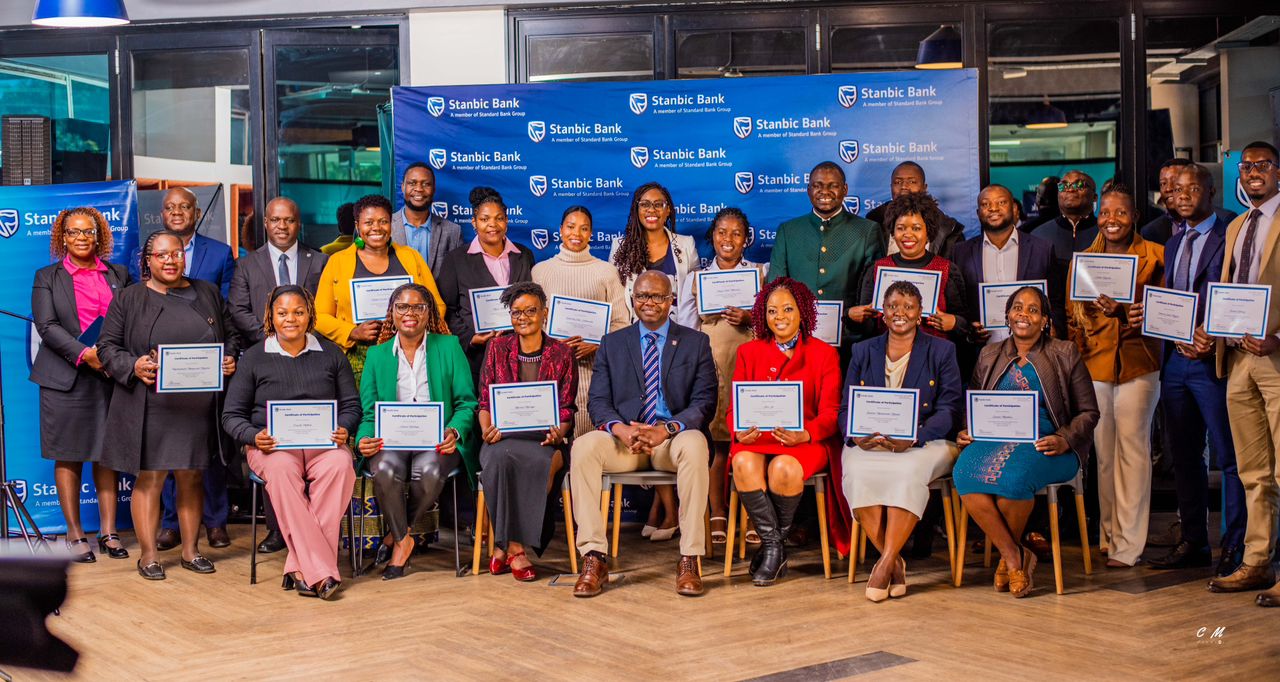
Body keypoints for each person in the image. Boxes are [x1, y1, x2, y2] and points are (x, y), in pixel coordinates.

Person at [98, 230, 237, 581]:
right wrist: (133, 365)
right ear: (148, 261)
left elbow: (232, 334)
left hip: (197, 406)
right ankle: (149, 556)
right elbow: (106, 347)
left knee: (191, 476)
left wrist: (231, 357)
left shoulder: (206, 293)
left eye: (176, 254)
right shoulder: (129, 299)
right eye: (161, 255)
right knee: (152, 478)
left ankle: (191, 551)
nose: (171, 260)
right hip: (150, 404)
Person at [569, 271, 718, 597]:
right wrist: (619, 428)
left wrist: (666, 429)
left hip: (669, 441)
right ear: (632, 300)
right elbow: (598, 401)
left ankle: (689, 558)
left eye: (658, 297)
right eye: (642, 296)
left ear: (671, 300)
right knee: (583, 447)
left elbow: (705, 402)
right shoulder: (613, 342)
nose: (649, 302)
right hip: (626, 442)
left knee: (695, 443)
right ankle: (594, 557)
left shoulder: (696, 342)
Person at [1127, 164, 1245, 576]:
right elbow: (1174, 301)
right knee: (1184, 455)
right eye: (1176, 189)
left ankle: (1236, 547)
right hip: (1174, 362)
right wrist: (1154, 318)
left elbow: (1237, 295)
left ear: (1211, 191)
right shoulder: (1173, 244)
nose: (1182, 194)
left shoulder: (1231, 234)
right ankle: (1194, 540)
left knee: (1228, 457)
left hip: (1212, 361)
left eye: (1193, 187)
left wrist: (1212, 335)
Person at [953, 287, 1100, 597]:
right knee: (964, 473)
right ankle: (1015, 556)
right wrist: (967, 429)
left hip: (1047, 442)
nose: (1024, 314)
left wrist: (1064, 439)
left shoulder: (1064, 352)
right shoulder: (990, 354)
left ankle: (1011, 559)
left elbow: (1089, 412)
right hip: (995, 438)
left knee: (1015, 479)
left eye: (1033, 310)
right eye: (1017, 308)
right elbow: (973, 403)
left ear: (1045, 320)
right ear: (1007, 315)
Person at [220, 285, 359, 599]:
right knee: (282, 470)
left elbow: (351, 405)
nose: (291, 319)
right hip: (272, 447)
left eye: (298, 311)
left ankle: (300, 567)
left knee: (341, 464)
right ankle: (321, 572)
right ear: (270, 315)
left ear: (310, 314)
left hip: (323, 443)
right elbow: (231, 416)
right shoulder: (255, 356)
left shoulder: (331, 353)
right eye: (282, 313)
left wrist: (344, 429)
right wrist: (254, 437)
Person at [835, 281, 962, 601]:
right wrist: (854, 434)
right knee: (857, 471)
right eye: (893, 306)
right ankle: (894, 560)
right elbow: (846, 406)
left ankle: (884, 564)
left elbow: (950, 408)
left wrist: (916, 437)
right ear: (883, 312)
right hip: (870, 442)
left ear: (920, 313)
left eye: (908, 306)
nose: (900, 312)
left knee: (907, 472)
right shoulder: (864, 350)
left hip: (924, 443)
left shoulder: (941, 350)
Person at [133, 188, 238, 552]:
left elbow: (228, 316)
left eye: (184, 207)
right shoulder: (141, 261)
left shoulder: (220, 255)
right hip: (161, 387)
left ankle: (215, 522)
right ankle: (169, 525)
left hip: (203, 379)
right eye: (170, 206)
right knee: (163, 463)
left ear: (197, 212)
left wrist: (229, 354)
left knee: (204, 460)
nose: (177, 212)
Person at [1065, 183, 1163, 568]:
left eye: (1120, 212)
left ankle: (1129, 544)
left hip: (1140, 364)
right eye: (1105, 212)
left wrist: (1128, 312)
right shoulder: (1082, 262)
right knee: (1104, 455)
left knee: (1133, 452)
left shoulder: (1156, 256)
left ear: (1135, 216)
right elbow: (1072, 321)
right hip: (1094, 366)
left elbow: (1171, 315)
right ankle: (1108, 534)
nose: (1111, 220)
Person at [227, 196, 329, 554]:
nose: (281, 226)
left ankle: (310, 530)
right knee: (275, 445)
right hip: (265, 362)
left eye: (288, 220)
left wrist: (299, 338)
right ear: (265, 224)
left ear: (298, 223)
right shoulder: (247, 264)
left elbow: (327, 307)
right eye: (274, 220)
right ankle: (276, 530)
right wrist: (273, 338)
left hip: (309, 359)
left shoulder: (319, 260)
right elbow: (237, 309)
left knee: (308, 447)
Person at [30, 207, 132, 563]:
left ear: (99, 235)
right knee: (69, 454)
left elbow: (130, 321)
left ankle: (109, 532)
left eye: (88, 231)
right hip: (66, 377)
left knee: (107, 454)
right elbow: (47, 325)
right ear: (62, 237)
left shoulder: (119, 274)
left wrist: (114, 357)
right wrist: (86, 354)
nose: (81, 238)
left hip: (109, 377)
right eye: (73, 232)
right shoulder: (48, 276)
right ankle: (75, 533)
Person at [355, 284, 477, 579]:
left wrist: (454, 431)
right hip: (391, 441)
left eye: (418, 307)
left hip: (436, 441)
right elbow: (370, 413)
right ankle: (403, 539)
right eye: (402, 307)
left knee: (431, 472)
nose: (410, 313)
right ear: (392, 313)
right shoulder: (377, 355)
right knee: (383, 468)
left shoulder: (448, 347)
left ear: (428, 312)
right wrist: (364, 438)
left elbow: (466, 402)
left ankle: (398, 537)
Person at [725, 277, 840, 586]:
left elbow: (831, 414)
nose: (780, 318)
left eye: (788, 309)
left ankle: (770, 545)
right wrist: (739, 430)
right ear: (763, 314)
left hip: (805, 442)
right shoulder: (749, 352)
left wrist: (806, 433)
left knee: (783, 468)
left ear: (802, 311)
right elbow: (734, 408)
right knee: (742, 462)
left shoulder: (824, 354)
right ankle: (775, 547)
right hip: (758, 439)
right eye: (772, 311)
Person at [1207, 141, 1280, 604]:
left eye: (1263, 165)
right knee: (1254, 471)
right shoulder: (1237, 225)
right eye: (1247, 166)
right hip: (1238, 360)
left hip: (1276, 358)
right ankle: (1256, 562)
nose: (1253, 172)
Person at [675, 207, 768, 545]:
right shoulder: (695, 279)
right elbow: (686, 328)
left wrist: (750, 318)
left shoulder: (760, 273)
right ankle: (717, 512)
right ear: (712, 237)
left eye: (736, 233)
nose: (728, 240)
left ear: (746, 239)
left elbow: (774, 325)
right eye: (721, 232)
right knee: (716, 444)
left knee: (749, 441)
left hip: (749, 366)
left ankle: (754, 514)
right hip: (712, 368)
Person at [476, 282, 578, 582]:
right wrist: (486, 431)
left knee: (536, 462)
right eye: (516, 312)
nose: (523, 317)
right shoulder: (497, 348)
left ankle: (502, 545)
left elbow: (567, 408)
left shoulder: (561, 353)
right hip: (502, 437)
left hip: (545, 440)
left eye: (530, 311)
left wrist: (558, 433)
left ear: (544, 313)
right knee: (500, 459)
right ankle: (517, 549)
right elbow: (484, 401)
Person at [314, 193, 444, 384]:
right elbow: (319, 316)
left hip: (410, 350)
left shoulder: (411, 257)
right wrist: (352, 332)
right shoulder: (337, 262)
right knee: (365, 411)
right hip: (358, 356)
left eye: (383, 221)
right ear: (358, 226)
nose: (376, 227)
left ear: (391, 224)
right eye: (369, 222)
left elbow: (437, 305)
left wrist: (412, 327)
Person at [531, 205, 630, 438]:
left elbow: (621, 324)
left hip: (594, 372)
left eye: (584, 228)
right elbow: (533, 325)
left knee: (589, 442)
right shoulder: (540, 272)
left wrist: (597, 346)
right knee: (556, 442)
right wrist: (557, 348)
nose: (577, 233)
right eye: (571, 227)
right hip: (552, 373)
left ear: (592, 234)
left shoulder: (606, 272)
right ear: (560, 230)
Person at [769, 161, 883, 350]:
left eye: (833, 186)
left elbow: (872, 288)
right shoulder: (788, 231)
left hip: (850, 338)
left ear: (845, 189)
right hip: (799, 337)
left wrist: (850, 315)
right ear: (808, 190)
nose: (825, 192)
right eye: (818, 186)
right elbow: (776, 287)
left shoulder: (867, 230)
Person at [436, 186, 535, 384]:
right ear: (474, 222)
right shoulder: (456, 260)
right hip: (476, 359)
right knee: (479, 412)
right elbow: (449, 309)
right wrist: (470, 338)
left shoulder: (524, 255)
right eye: (484, 219)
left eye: (499, 218)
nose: (493, 224)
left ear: (506, 222)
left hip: (522, 354)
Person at [849, 192, 969, 343]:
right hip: (885, 357)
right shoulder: (876, 270)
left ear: (928, 232)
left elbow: (965, 323)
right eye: (901, 228)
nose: (908, 234)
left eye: (916, 228)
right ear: (893, 232)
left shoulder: (946, 270)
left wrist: (954, 323)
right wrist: (852, 317)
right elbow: (867, 329)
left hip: (934, 359)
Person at [609, 182, 699, 318]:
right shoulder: (619, 246)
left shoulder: (686, 244)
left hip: (676, 331)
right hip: (634, 331)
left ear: (668, 210)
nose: (651, 210)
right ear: (636, 209)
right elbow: (615, 296)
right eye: (645, 204)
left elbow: (693, 296)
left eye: (658, 204)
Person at [864, 161, 965, 258]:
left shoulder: (949, 229)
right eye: (897, 182)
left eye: (912, 181)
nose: (904, 186)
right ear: (891, 187)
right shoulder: (874, 221)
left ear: (924, 188)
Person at [1140, 159, 1237, 245]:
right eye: (1163, 183)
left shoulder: (1226, 221)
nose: (1168, 188)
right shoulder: (1150, 232)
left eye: (1175, 182)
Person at [391, 162, 464, 276]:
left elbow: (459, 275)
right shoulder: (386, 227)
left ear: (434, 189)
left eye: (426, 184)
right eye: (412, 183)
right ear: (403, 187)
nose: (419, 189)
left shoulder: (452, 231)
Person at [1032, 170, 1099, 271]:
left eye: (1079, 185)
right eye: (1063, 186)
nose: (1070, 190)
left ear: (1094, 197)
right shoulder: (1038, 235)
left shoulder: (1106, 233)